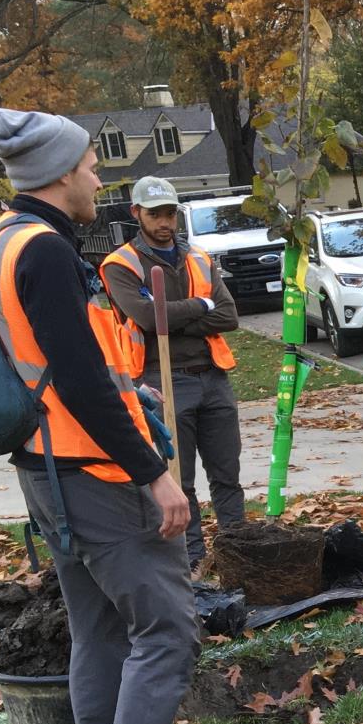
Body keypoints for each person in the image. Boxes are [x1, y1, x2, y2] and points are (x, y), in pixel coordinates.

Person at [0, 108, 198, 724]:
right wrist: (156, 475)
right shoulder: (41, 249)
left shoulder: (2, 240)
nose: (98, 178)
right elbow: (78, 380)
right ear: (60, 172)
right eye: (90, 166)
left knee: (100, 629)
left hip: (46, 469)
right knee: (167, 624)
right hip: (92, 471)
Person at [99, 175, 244, 568]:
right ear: (137, 214)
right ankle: (192, 560)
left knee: (227, 474)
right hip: (162, 380)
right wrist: (202, 305)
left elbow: (229, 315)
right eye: (155, 214)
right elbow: (146, 317)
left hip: (212, 376)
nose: (164, 222)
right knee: (179, 480)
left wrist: (176, 317)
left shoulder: (198, 257)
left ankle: (237, 552)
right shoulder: (121, 265)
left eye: (169, 214)